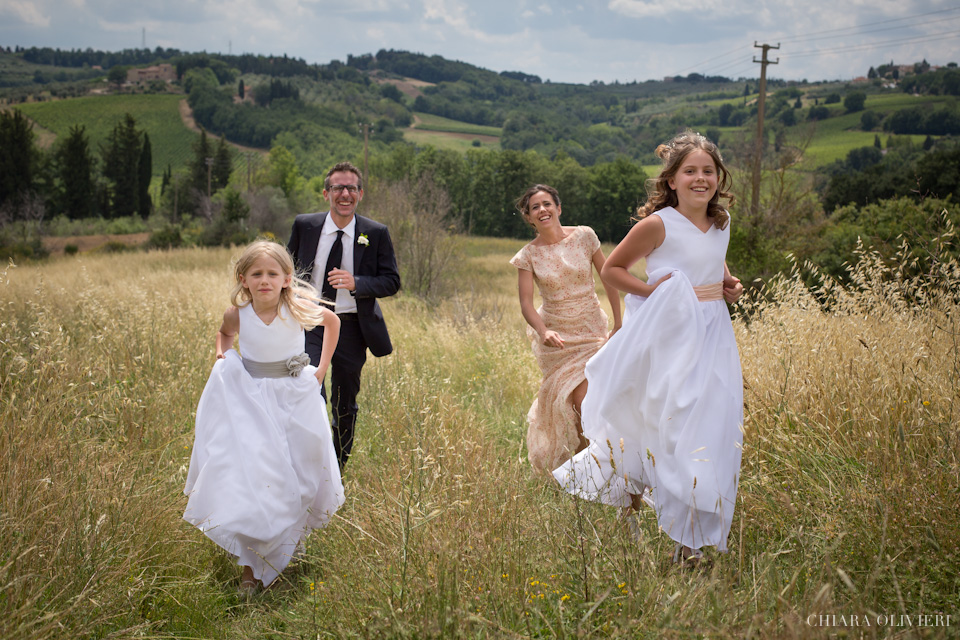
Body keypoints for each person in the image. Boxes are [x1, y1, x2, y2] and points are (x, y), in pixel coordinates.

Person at [553, 131, 745, 564]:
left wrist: (727, 283)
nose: (700, 179)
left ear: (719, 177)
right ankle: (682, 533)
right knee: (677, 424)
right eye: (689, 171)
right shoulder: (657, 225)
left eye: (708, 171)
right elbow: (614, 271)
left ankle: (695, 538)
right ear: (672, 180)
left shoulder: (722, 222)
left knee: (716, 423)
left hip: (715, 333)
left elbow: (713, 261)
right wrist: (649, 289)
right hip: (672, 336)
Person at [183, 240, 344, 596]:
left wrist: (320, 371)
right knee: (255, 480)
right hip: (252, 401)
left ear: (287, 278)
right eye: (257, 274)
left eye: (273, 273)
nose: (265, 280)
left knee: (299, 476)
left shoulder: (298, 307)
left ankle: (284, 548)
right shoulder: (237, 314)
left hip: (294, 400)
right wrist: (222, 356)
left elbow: (332, 322)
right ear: (243, 279)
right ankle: (249, 570)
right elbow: (225, 335)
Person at [288, 161, 401, 470]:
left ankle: (336, 469)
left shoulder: (375, 233)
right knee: (309, 388)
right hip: (311, 323)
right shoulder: (304, 226)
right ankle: (308, 463)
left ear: (360, 194)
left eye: (351, 187)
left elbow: (392, 281)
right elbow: (287, 272)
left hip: (351, 329)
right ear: (326, 193)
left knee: (345, 403)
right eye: (338, 187)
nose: (345, 193)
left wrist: (358, 283)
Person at [510, 184, 622, 473]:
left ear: (558, 208)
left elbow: (609, 277)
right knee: (572, 404)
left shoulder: (585, 236)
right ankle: (585, 469)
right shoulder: (527, 256)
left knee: (586, 400)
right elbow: (526, 304)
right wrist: (542, 330)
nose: (542, 210)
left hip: (591, 329)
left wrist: (619, 321)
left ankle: (596, 467)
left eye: (546, 204)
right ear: (529, 218)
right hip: (557, 340)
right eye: (534, 207)